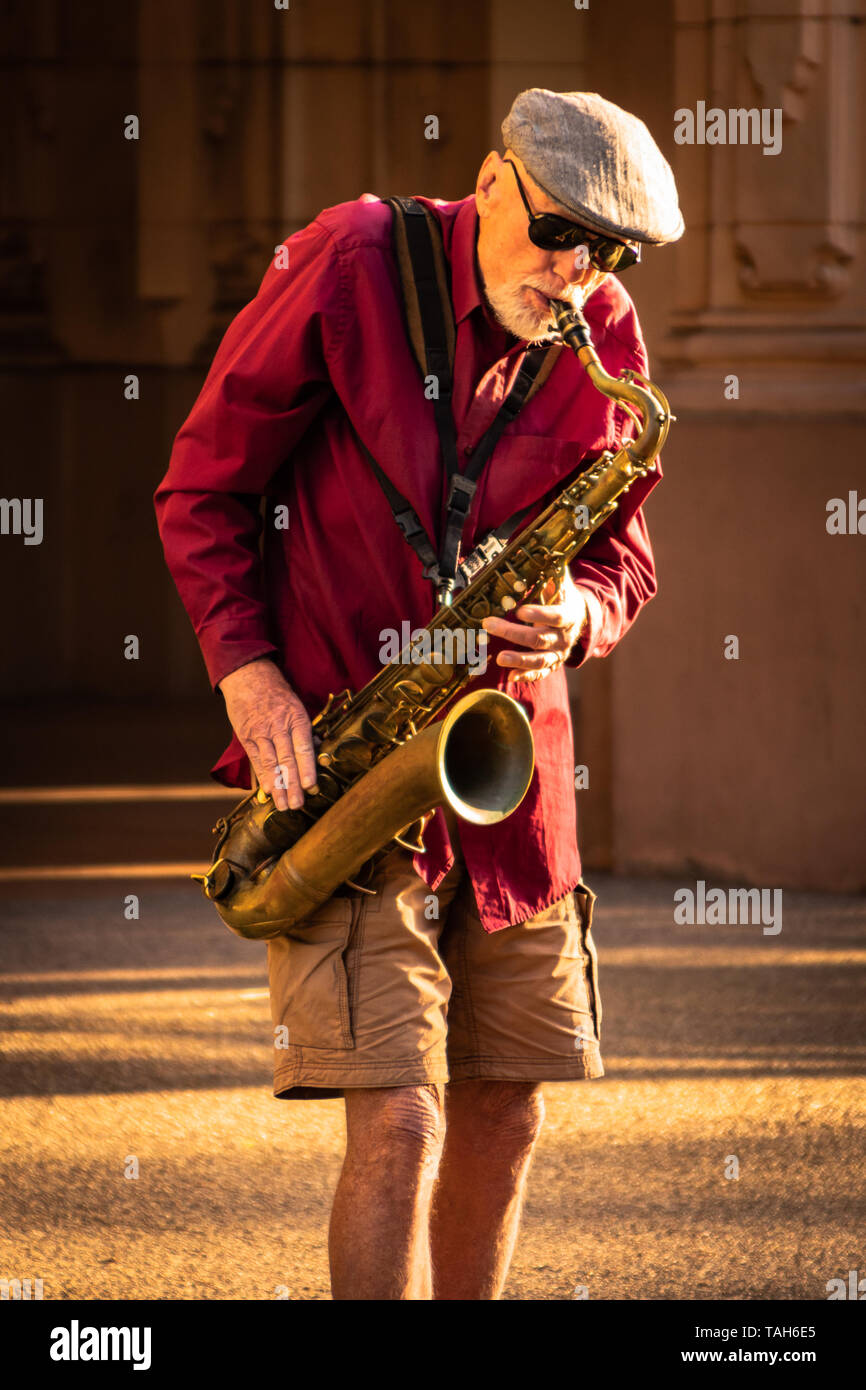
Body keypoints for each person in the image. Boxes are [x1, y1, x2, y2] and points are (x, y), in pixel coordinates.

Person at [155, 88, 683, 1300]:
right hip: (351, 759)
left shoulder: (599, 323)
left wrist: (583, 613)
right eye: (555, 233)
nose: (575, 272)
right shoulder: (347, 261)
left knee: (505, 1115)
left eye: (607, 252)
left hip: (511, 789)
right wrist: (250, 677)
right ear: (493, 180)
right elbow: (203, 488)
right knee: (397, 1121)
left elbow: (625, 553)